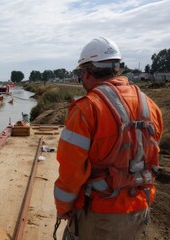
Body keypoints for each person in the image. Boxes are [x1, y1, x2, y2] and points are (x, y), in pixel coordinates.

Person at [53, 37, 163, 239]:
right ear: (117, 69)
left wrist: (63, 207)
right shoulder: (150, 106)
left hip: (100, 213)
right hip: (139, 208)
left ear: (86, 72)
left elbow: (71, 171)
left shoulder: (87, 109)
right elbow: (152, 157)